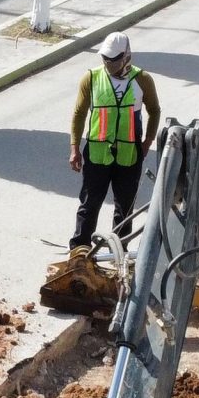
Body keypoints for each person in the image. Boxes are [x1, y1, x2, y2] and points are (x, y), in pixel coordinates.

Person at [67, 32, 160, 252]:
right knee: (89, 204)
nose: (108, 64)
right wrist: (74, 148)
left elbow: (154, 110)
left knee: (124, 209)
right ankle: (79, 248)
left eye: (114, 59)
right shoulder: (91, 77)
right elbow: (79, 113)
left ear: (127, 56)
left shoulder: (142, 80)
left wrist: (147, 141)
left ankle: (118, 252)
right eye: (105, 59)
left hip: (129, 155)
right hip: (97, 153)